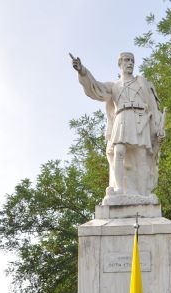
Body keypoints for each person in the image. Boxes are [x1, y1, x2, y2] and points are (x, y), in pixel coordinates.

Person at [71, 52, 165, 198]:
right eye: (127, 60)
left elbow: (153, 107)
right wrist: (82, 71)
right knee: (118, 152)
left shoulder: (141, 82)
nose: (130, 63)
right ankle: (119, 188)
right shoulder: (114, 86)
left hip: (140, 118)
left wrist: (158, 127)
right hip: (121, 117)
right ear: (120, 63)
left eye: (132, 60)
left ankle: (144, 193)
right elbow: (96, 88)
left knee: (141, 155)